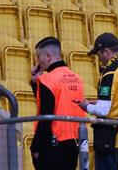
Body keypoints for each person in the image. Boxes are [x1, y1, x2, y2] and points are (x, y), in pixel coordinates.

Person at [75, 33, 118, 170]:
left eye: (99, 54)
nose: (99, 59)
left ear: (106, 51)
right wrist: (99, 101)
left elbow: (102, 110)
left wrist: (86, 106)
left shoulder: (110, 72)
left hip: (111, 137)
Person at [30, 37, 86, 170]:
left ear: (48, 56)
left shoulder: (47, 79)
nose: (37, 60)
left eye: (38, 56)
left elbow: (46, 116)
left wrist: (35, 146)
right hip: (74, 141)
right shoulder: (77, 78)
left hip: (52, 144)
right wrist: (35, 83)